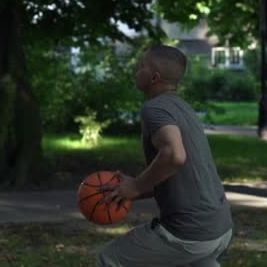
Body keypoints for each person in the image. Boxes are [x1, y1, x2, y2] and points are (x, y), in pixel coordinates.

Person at [97, 45, 233, 267]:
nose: (136, 69)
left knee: (110, 258)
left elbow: (173, 156)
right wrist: (129, 190)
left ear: (154, 77)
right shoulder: (183, 108)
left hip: (189, 233)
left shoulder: (155, 109)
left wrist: (136, 186)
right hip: (220, 227)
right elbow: (177, 172)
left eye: (142, 65)